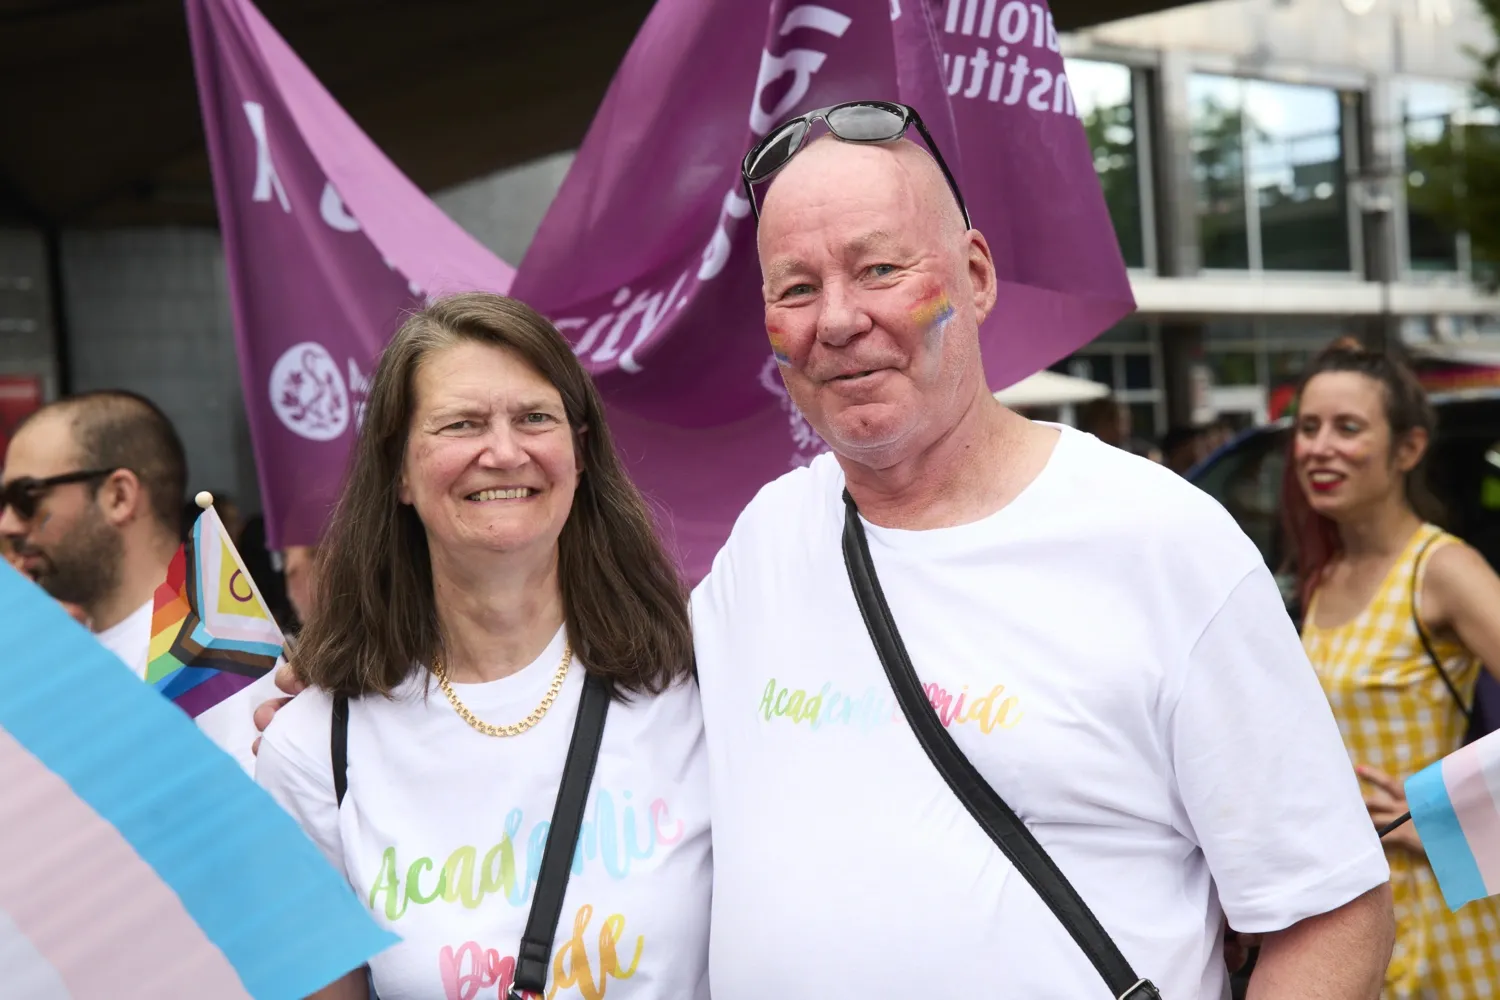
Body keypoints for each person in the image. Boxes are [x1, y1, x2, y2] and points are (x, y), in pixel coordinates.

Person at [691, 123, 1393, 996]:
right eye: (797, 287)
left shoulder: (1162, 541)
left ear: (976, 277)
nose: (837, 319)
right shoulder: (762, 544)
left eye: (879, 270)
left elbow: (1329, 914)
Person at [253, 293, 710, 999]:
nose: (503, 452)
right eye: (461, 424)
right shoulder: (315, 746)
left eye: (534, 418)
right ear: (399, 472)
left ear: (579, 453)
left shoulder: (700, 677)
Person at [1285, 337, 1500, 997]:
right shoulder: (1323, 579)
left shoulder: (1443, 569)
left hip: (1441, 908)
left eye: (1348, 428)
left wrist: (1447, 820)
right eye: (1308, 427)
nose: (1319, 447)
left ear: (1407, 449)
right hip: (1347, 906)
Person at [0, 390, 273, 772]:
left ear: (119, 496)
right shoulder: (70, 658)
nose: (8, 524)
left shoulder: (212, 654)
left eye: (27, 497)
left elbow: (253, 826)